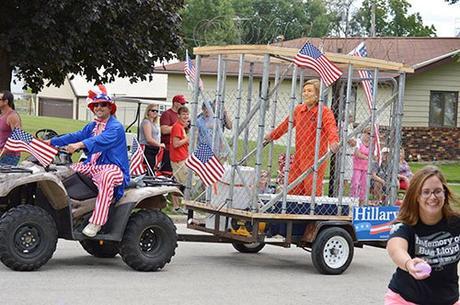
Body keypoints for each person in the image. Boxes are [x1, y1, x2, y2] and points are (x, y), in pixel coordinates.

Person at [47, 85, 130, 237]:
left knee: (106, 177)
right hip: (93, 165)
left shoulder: (116, 127)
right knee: (65, 170)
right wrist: (52, 142)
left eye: (103, 104)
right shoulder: (92, 126)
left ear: (110, 108)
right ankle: (65, 209)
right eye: (96, 105)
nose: (99, 107)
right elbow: (76, 135)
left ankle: (97, 222)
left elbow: (101, 140)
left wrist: (79, 145)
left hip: (114, 168)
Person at [385, 165, 460, 305]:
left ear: (444, 193)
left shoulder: (456, 223)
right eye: (426, 192)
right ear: (417, 197)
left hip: (448, 300)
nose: (433, 197)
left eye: (438, 191)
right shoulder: (406, 224)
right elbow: (396, 248)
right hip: (406, 300)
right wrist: (409, 263)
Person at [265, 79, 339, 196]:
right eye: (304, 91)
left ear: (317, 94)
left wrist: (333, 141)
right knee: (292, 187)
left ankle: (313, 211)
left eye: (309, 91)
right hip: (299, 155)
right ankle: (293, 211)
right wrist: (272, 135)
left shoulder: (324, 112)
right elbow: (286, 124)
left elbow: (331, 127)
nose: (305, 93)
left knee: (311, 189)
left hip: (315, 157)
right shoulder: (299, 110)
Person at [169, 106, 190, 214]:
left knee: (178, 182)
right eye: (183, 114)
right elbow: (176, 144)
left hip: (183, 157)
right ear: (178, 116)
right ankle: (182, 205)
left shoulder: (182, 127)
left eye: (187, 114)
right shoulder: (177, 127)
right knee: (184, 182)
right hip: (179, 159)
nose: (185, 116)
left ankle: (177, 206)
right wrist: (187, 139)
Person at [160, 95, 187, 174]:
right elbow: (164, 130)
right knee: (168, 173)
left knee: (180, 174)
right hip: (169, 149)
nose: (183, 106)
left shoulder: (181, 115)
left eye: (184, 104)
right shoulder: (167, 114)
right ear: (175, 103)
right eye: (182, 103)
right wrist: (179, 126)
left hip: (180, 150)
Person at [139, 103, 165, 173]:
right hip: (147, 149)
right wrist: (160, 145)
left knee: (153, 169)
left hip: (153, 150)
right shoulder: (146, 122)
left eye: (157, 111)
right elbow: (149, 139)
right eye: (153, 110)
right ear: (148, 111)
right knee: (148, 170)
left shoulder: (154, 123)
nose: (155, 112)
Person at [0, 90, 22, 165]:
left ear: (5, 102)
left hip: (9, 156)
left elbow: (18, 136)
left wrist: (4, 151)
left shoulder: (12, 116)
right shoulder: (2, 115)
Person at [350, 126, 371, 205]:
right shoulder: (358, 142)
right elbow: (357, 153)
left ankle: (361, 203)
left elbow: (374, 156)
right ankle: (353, 201)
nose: (369, 136)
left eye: (371, 134)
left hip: (366, 168)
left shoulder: (371, 144)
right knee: (355, 183)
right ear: (364, 133)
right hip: (357, 167)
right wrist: (367, 157)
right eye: (367, 133)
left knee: (364, 185)